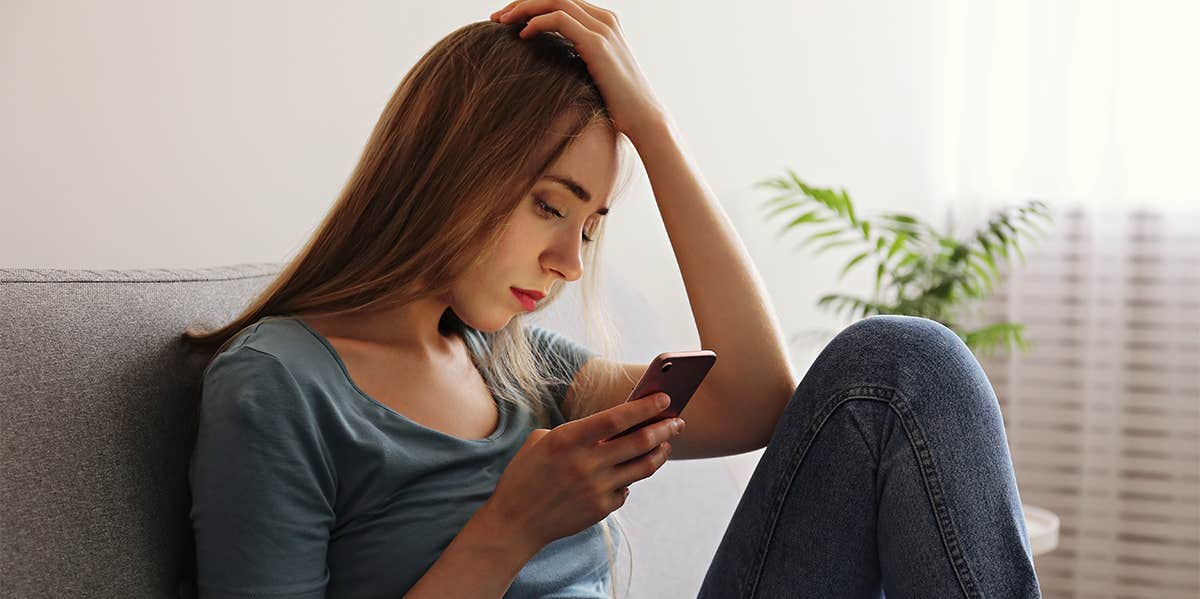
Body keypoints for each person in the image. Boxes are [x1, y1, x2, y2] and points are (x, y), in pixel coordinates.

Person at [181, 2, 1042, 598]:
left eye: (590, 226)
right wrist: (509, 525)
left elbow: (757, 401)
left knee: (899, 362)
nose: (566, 260)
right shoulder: (278, 385)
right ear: (449, 169)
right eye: (549, 205)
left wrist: (653, 126)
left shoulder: (513, 365)